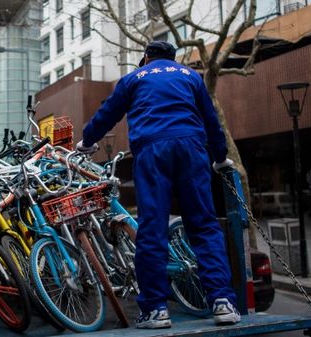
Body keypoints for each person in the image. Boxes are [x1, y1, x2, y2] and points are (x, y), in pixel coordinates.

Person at [76, 41, 239, 329]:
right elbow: (211, 121)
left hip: (152, 151)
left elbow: (107, 114)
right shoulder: (191, 77)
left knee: (152, 228)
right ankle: (222, 302)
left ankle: (156, 310)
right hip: (192, 147)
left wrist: (87, 141)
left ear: (146, 57)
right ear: (172, 58)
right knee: (203, 225)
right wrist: (220, 158)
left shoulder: (133, 79)